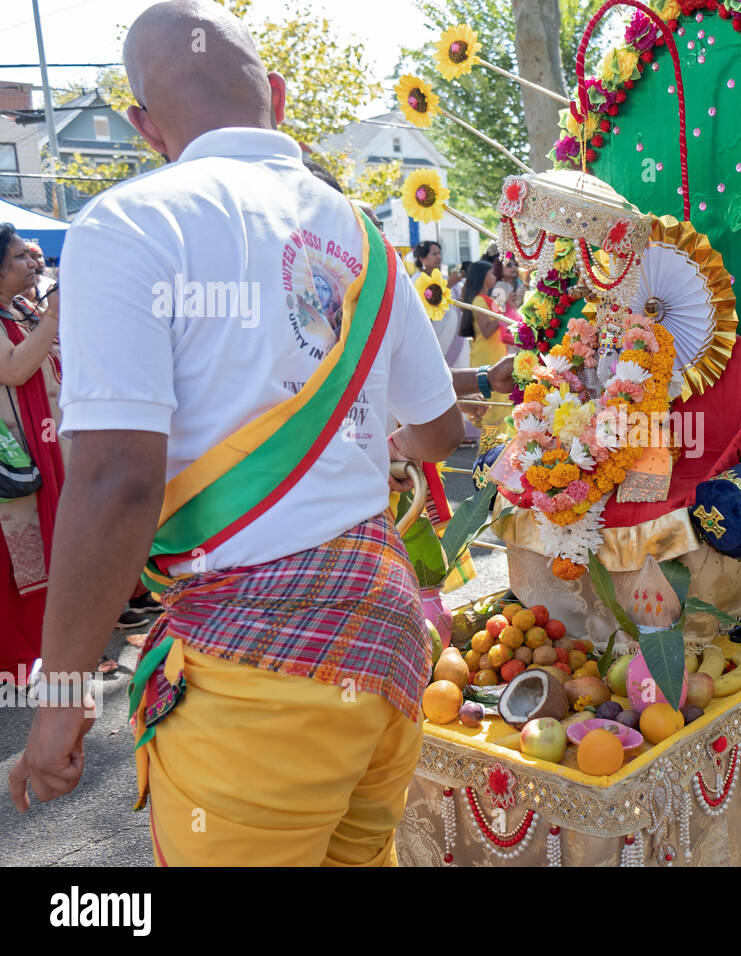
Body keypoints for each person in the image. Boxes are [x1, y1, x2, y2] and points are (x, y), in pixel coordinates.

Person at [6, 0, 470, 867]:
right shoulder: (366, 237)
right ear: (282, 98)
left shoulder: (129, 223)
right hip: (387, 643)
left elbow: (117, 482)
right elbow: (440, 431)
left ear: (144, 127)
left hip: (261, 672)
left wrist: (63, 696)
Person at [0, 225, 63, 689]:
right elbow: (16, 369)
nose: (34, 264)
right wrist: (55, 317)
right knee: (15, 555)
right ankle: (15, 655)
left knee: (50, 539)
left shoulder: (23, 307)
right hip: (14, 456)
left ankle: (44, 645)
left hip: (47, 445)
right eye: (22, 257)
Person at [459, 259, 509, 430]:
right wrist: (503, 314)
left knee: (500, 405)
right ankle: (489, 452)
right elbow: (487, 331)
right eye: (491, 273)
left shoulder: (487, 299)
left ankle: (496, 451)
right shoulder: (479, 301)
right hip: (487, 356)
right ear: (482, 277)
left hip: (496, 353)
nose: (495, 276)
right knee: (490, 409)